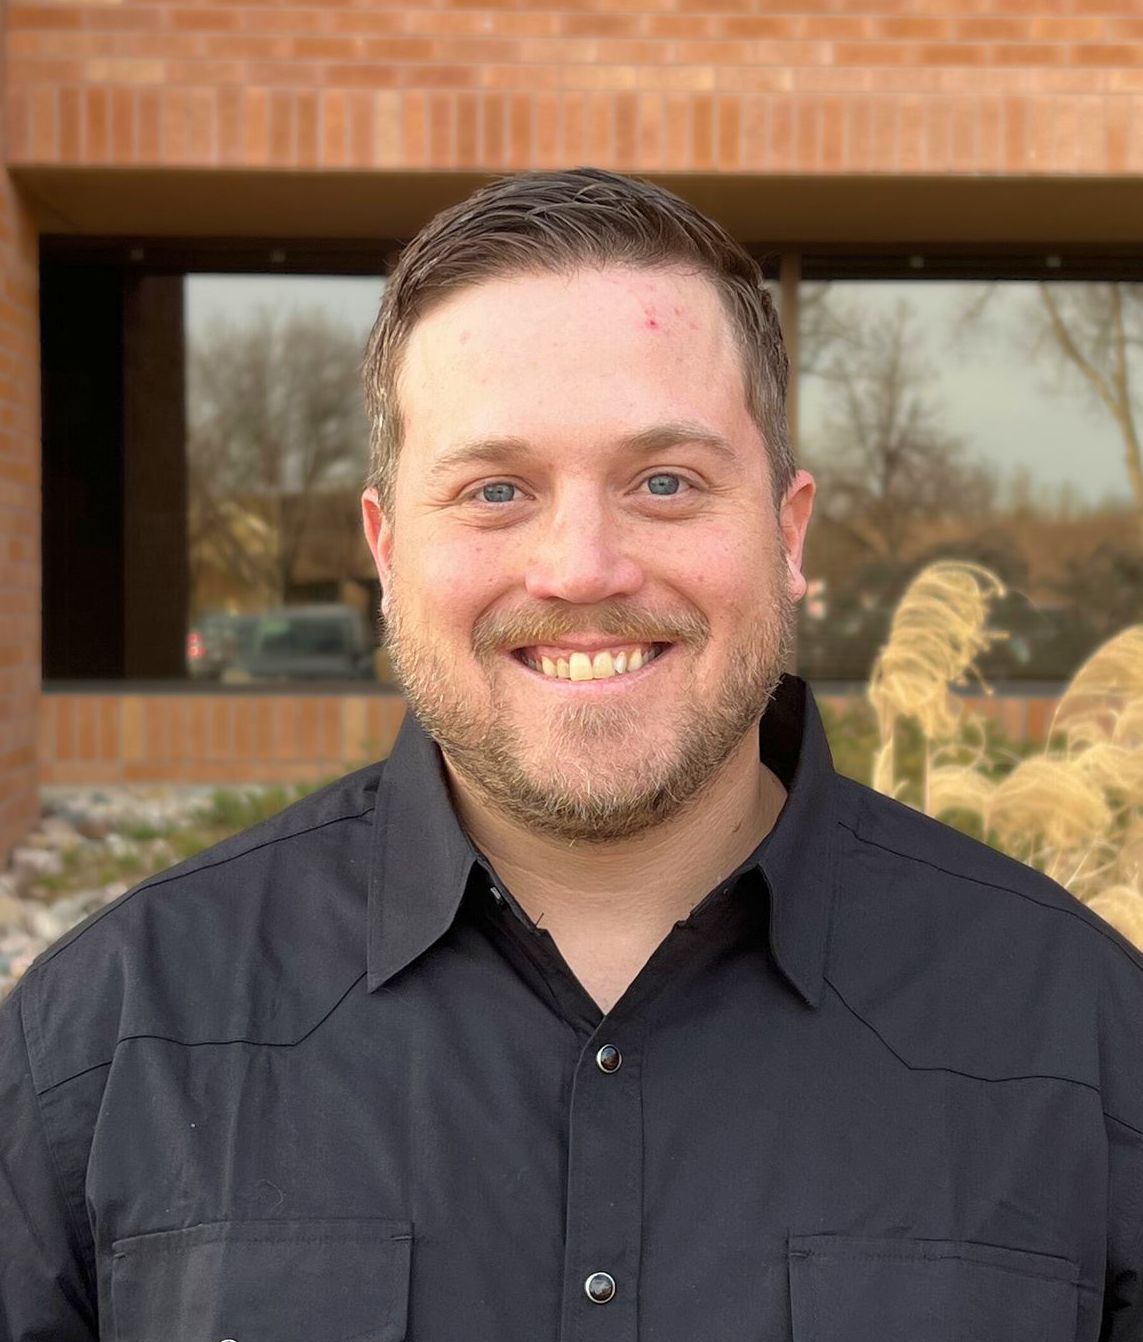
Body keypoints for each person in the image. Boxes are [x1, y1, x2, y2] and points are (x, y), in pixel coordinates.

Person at [1, 168, 1140, 1341]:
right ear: (388, 551)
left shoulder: (1085, 1039)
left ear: (788, 532)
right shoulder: (111, 1039)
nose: (583, 566)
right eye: (496, 489)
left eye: (664, 482)